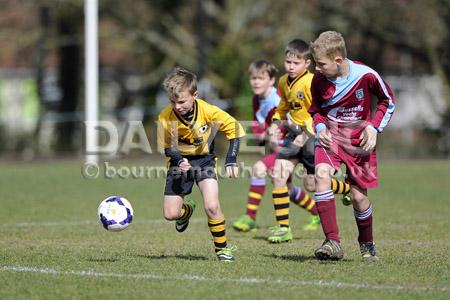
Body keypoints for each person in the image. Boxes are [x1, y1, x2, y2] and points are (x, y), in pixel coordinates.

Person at [309, 31, 395, 261]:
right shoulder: (318, 80)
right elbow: (315, 109)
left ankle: (367, 244)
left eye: (321, 64)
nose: (316, 69)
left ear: (338, 60)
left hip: (359, 142)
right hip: (330, 137)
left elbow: (388, 101)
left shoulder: (366, 75)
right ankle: (332, 241)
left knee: (358, 198)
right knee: (321, 175)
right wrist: (320, 128)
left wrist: (373, 128)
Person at [266, 39, 352, 243]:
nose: (290, 66)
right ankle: (283, 228)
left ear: (307, 64)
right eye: (288, 62)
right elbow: (284, 107)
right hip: (293, 136)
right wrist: (275, 123)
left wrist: (306, 135)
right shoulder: (282, 82)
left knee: (312, 185)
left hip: (312, 137)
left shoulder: (312, 82)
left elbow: (318, 113)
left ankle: (348, 188)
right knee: (278, 175)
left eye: (296, 63)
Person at [157, 67, 245, 261]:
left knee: (212, 206)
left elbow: (235, 130)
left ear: (194, 95)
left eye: (181, 101)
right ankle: (186, 211)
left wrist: (231, 160)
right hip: (177, 163)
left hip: (204, 160)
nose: (177, 106)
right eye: (172, 102)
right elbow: (168, 148)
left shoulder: (208, 111)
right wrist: (180, 161)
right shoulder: (165, 117)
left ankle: (222, 249)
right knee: (171, 214)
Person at [232, 60, 322, 233]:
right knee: (285, 188)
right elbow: (260, 125)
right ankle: (317, 212)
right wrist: (263, 135)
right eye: (253, 78)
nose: (256, 82)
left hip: (292, 147)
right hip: (278, 148)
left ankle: (250, 217)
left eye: (260, 78)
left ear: (271, 80)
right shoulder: (257, 100)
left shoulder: (278, 98)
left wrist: (280, 132)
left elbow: (295, 119)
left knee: (258, 168)